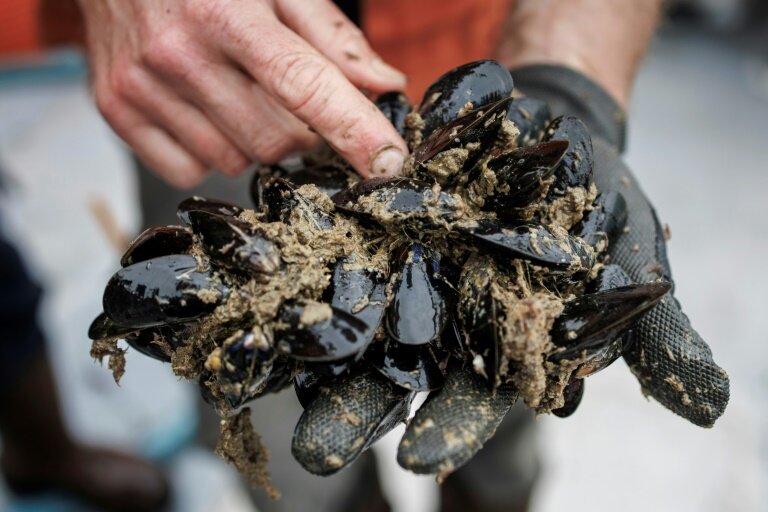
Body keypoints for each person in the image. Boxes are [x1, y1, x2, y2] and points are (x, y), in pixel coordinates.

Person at [23, 1, 731, 511]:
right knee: (291, 450)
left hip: (487, 69)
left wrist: (571, 77)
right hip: (214, 92)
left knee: (509, 389)